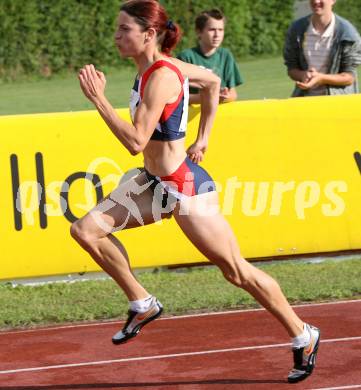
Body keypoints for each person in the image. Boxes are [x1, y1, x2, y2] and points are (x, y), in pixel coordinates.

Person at [72, 0, 319, 384]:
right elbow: (212, 81)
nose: (117, 36)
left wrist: (99, 100)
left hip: (184, 188)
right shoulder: (158, 68)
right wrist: (201, 137)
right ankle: (142, 302)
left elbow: (136, 140)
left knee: (237, 272)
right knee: (86, 230)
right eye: (117, 29)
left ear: (148, 34)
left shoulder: (163, 76)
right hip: (154, 184)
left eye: (124, 29)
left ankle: (303, 334)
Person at [284, 0, 361, 97]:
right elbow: (292, 69)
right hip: (305, 101)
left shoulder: (348, 33)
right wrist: (303, 75)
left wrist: (321, 78)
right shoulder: (296, 29)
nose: (316, 1)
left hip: (338, 104)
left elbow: (349, 77)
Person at [177, 9, 243, 104]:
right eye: (212, 30)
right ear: (199, 32)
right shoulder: (186, 57)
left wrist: (225, 96)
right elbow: (177, 97)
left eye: (220, 30)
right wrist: (209, 97)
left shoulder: (225, 55)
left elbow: (233, 94)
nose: (217, 35)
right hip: (191, 116)